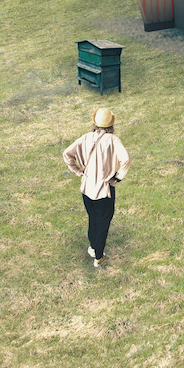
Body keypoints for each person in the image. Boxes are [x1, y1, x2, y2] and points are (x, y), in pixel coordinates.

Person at [62, 107, 129, 267]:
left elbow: (67, 154)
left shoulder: (85, 138)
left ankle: (93, 247)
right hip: (104, 190)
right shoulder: (113, 140)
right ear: (111, 124)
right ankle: (98, 256)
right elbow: (125, 160)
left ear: (95, 123)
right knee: (103, 223)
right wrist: (118, 178)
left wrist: (78, 171)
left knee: (92, 219)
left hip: (86, 188)